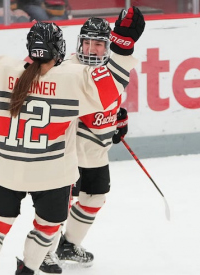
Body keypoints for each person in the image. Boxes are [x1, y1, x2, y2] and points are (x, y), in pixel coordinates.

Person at [0, 3, 144, 274]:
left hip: (7, 172)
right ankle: (27, 270)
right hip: (53, 175)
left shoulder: (1, 71)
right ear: (61, 50)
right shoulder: (70, 80)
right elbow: (110, 87)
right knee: (47, 226)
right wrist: (123, 46)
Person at [38, 16, 138, 274]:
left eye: (98, 44)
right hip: (68, 154)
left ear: (107, 47)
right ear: (79, 43)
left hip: (96, 154)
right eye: (87, 43)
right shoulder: (66, 69)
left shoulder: (113, 69)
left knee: (95, 198)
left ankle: (68, 245)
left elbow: (108, 98)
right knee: (59, 205)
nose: (91, 49)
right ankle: (43, 252)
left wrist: (117, 117)